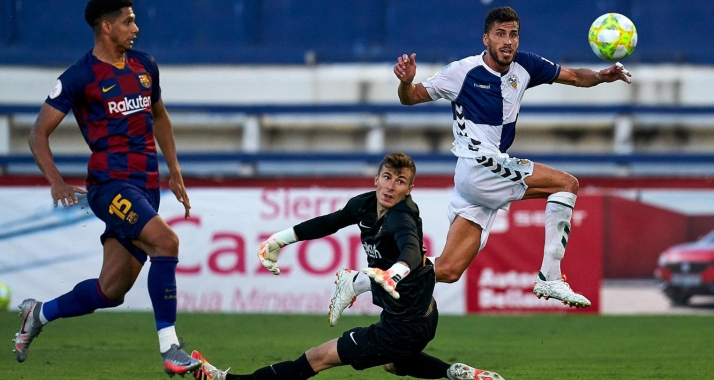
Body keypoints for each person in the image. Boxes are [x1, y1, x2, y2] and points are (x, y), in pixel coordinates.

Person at [328, 6, 633, 326]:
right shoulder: (462, 72)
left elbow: (572, 76)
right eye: (500, 34)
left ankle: (357, 282)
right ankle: (550, 276)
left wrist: (601, 76)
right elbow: (412, 97)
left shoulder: (526, 65)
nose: (507, 41)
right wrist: (406, 83)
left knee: (447, 270)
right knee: (566, 184)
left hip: (480, 179)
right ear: (486, 38)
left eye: (513, 34)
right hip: (478, 164)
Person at [189, 153, 505, 380]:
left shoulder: (401, 217)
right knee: (395, 364)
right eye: (387, 177)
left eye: (400, 182)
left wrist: (393, 273)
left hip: (403, 324)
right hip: (420, 314)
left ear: (409, 189)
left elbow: (410, 249)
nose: (391, 186)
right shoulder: (365, 204)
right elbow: (331, 222)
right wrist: (280, 240)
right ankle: (462, 374)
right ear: (376, 178)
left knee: (316, 358)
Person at [13, 0, 202, 376]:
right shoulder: (79, 76)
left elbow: (159, 115)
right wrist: (55, 181)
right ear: (106, 27)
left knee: (111, 290)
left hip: (146, 187)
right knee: (166, 243)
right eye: (128, 21)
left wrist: (175, 170)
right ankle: (171, 350)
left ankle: (38, 313)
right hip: (109, 185)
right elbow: (38, 133)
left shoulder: (145, 66)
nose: (136, 28)